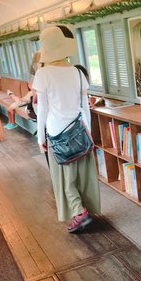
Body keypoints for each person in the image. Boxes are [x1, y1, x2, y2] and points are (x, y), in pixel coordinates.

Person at [32, 25, 100, 233]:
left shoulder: (43, 74)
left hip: (56, 133)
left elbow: (42, 109)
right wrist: (89, 132)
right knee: (82, 174)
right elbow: (84, 106)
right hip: (79, 131)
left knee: (64, 176)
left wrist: (40, 137)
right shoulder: (78, 73)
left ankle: (80, 212)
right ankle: (87, 209)